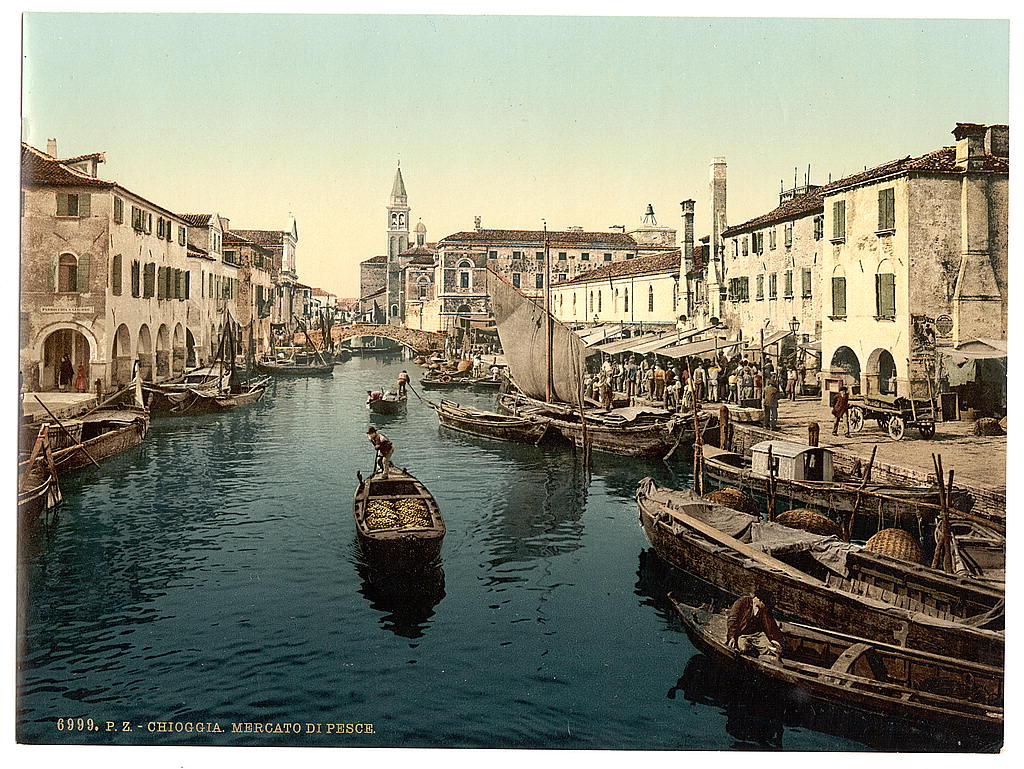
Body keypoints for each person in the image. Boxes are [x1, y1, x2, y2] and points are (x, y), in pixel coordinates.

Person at [726, 591, 784, 656]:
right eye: (765, 605)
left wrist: (776, 640)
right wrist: (732, 637)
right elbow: (732, 620)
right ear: (760, 600)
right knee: (743, 648)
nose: (766, 608)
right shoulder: (742, 602)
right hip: (742, 634)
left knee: (769, 649)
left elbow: (772, 625)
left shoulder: (765, 609)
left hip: (757, 634)